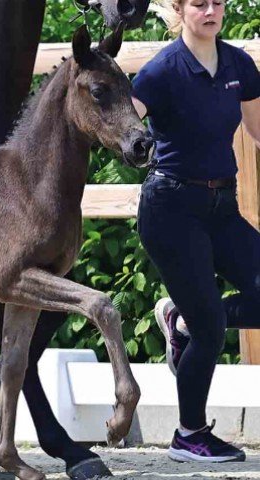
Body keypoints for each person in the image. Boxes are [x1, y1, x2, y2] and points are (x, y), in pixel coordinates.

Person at [131, 0, 260, 463]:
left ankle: (180, 320)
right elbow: (119, 123)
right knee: (211, 329)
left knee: (216, 314)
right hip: (171, 208)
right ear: (180, 10)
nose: (211, 11)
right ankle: (189, 434)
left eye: (217, 3)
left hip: (222, 206)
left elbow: (259, 130)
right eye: (199, 3)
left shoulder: (238, 63)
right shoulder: (161, 71)